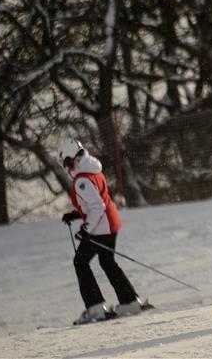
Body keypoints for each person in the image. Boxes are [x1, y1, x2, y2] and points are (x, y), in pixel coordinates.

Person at [58, 138, 144, 323]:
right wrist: (76, 214)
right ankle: (130, 301)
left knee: (80, 262)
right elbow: (95, 202)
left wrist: (87, 228)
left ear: (72, 159)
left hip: (100, 228)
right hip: (111, 224)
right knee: (107, 262)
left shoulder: (82, 180)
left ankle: (96, 308)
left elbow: (97, 206)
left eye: (66, 162)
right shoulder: (93, 170)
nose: (67, 166)